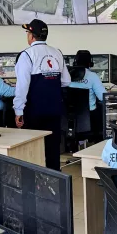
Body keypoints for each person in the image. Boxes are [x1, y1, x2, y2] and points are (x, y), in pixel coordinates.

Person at [14, 19, 70, 170]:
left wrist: (18, 111)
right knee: (53, 151)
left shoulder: (26, 55)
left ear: (32, 36)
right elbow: (66, 81)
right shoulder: (57, 52)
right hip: (54, 110)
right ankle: (55, 184)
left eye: (28, 33)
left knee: (31, 151)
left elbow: (22, 87)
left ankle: (33, 185)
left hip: (34, 111)